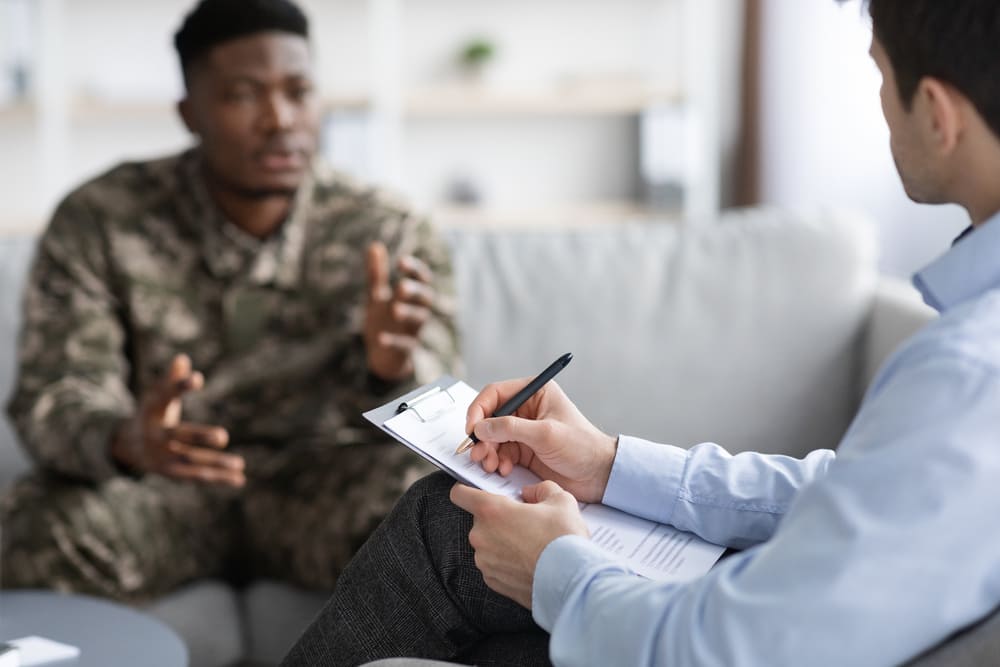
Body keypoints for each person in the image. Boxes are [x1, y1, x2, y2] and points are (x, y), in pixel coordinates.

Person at [280, 0, 1000, 665]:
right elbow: (845, 491)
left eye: (879, 75)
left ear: (937, 111)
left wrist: (555, 567)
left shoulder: (969, 370)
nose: (879, 104)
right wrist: (609, 464)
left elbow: (721, 646)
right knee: (465, 566)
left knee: (443, 530)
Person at [0, 0, 459, 602]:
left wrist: (392, 369)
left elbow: (447, 422)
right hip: (167, 489)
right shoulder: (102, 219)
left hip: (323, 487)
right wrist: (126, 437)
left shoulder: (388, 228)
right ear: (191, 113)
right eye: (244, 95)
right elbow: (54, 392)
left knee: (450, 514)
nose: (280, 119)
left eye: (299, 91)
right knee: (30, 531)